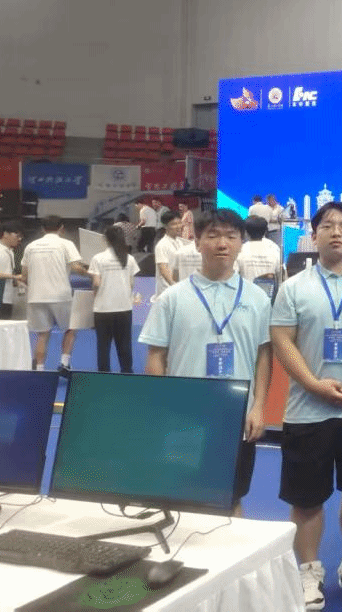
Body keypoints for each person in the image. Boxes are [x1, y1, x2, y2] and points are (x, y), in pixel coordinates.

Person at [270, 201, 342, 610]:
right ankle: (308, 570)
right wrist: (313, 384)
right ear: (313, 235)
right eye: (328, 226)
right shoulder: (294, 287)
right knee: (306, 499)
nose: (337, 232)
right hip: (307, 410)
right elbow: (283, 340)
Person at [139, 208, 273, 517]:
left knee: (232, 498)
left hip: (238, 416)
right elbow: (156, 357)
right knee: (182, 496)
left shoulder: (258, 299)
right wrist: (162, 411)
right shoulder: (172, 298)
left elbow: (264, 355)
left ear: (241, 243)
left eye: (230, 236)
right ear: (197, 242)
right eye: (212, 236)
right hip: (184, 415)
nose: (222, 244)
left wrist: (258, 407)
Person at [23, 216, 87, 373]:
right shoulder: (66, 244)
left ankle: (39, 369)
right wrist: (90, 272)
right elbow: (76, 267)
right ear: (61, 228)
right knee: (71, 328)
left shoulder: (31, 246)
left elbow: (24, 275)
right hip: (60, 295)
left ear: (42, 229)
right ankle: (64, 363)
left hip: (36, 295)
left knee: (42, 334)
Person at [88, 224, 140, 373]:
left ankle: (104, 374)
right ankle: (126, 372)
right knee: (124, 344)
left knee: (103, 345)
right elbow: (131, 283)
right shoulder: (129, 258)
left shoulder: (98, 258)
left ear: (106, 239)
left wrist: (95, 294)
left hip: (103, 308)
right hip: (124, 307)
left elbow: (96, 283)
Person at [0, 221, 23, 319]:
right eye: (17, 235)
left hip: (7, 298)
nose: (19, 239)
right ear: (5, 234)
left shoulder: (10, 252)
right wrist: (13, 276)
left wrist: (16, 281)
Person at [238, 214, 284, 293]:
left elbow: (234, 274)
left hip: (245, 294)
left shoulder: (240, 250)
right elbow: (280, 275)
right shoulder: (274, 248)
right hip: (269, 295)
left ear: (246, 232)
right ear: (265, 231)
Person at [153, 209, 186, 299]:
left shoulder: (180, 242)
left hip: (179, 288)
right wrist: (174, 285)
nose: (178, 226)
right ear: (166, 226)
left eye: (179, 223)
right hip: (167, 291)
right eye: (174, 224)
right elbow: (163, 269)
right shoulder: (162, 245)